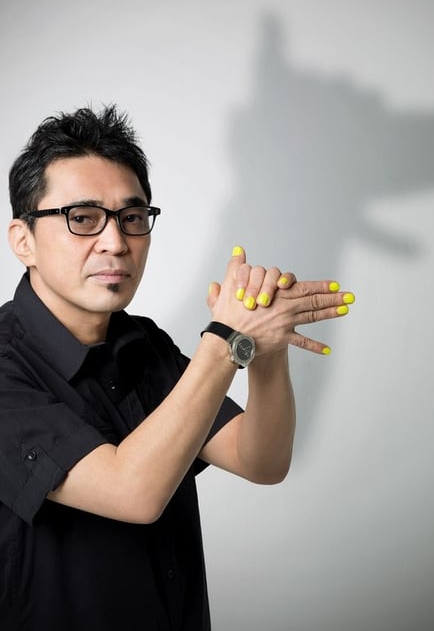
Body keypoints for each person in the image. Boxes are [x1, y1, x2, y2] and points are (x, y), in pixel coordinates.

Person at [0, 105, 354, 631]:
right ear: (23, 240)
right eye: (83, 218)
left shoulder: (144, 344)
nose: (116, 242)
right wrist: (226, 340)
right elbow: (132, 492)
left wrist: (265, 349)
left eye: (132, 217)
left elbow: (262, 460)